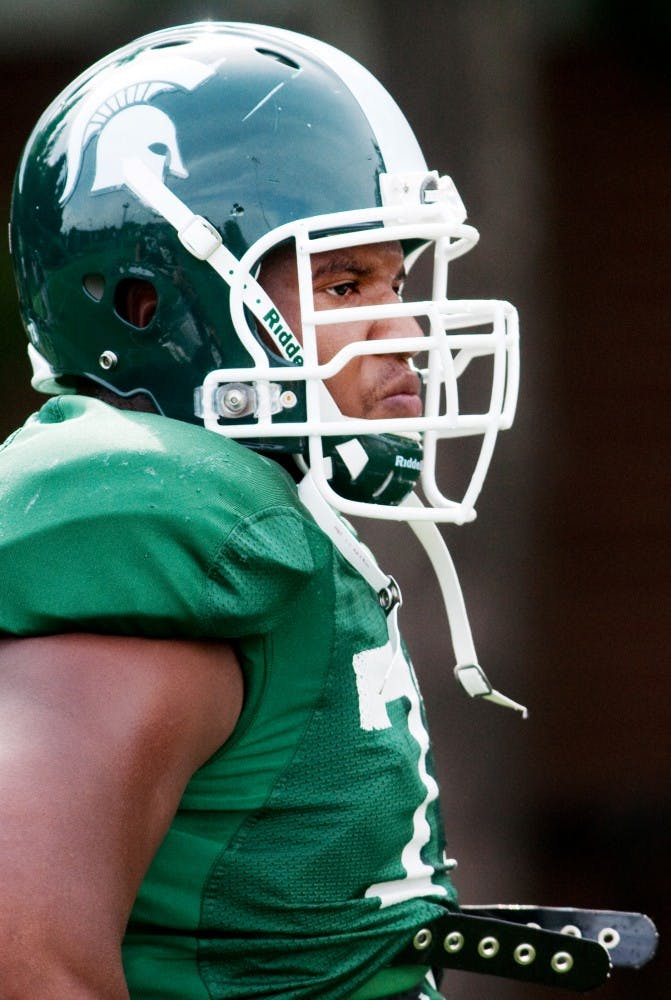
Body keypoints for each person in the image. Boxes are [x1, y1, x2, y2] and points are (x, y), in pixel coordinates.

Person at [0, 20, 651, 1000]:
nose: (401, 329)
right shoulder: (159, 525)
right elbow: (29, 960)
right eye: (346, 282)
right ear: (149, 303)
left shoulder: (263, 513)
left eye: (396, 279)